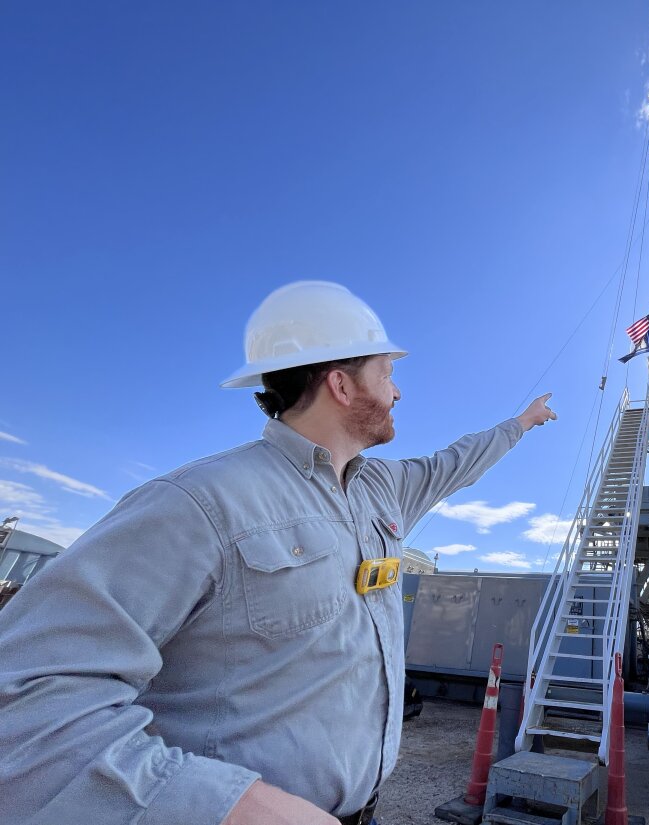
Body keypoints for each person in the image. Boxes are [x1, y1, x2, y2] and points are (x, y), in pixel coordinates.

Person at [0, 281, 557, 825]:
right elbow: (25, 702)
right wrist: (228, 806)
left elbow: (455, 462)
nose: (398, 391)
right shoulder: (201, 502)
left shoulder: (382, 490)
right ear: (341, 385)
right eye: (387, 374)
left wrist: (521, 423)